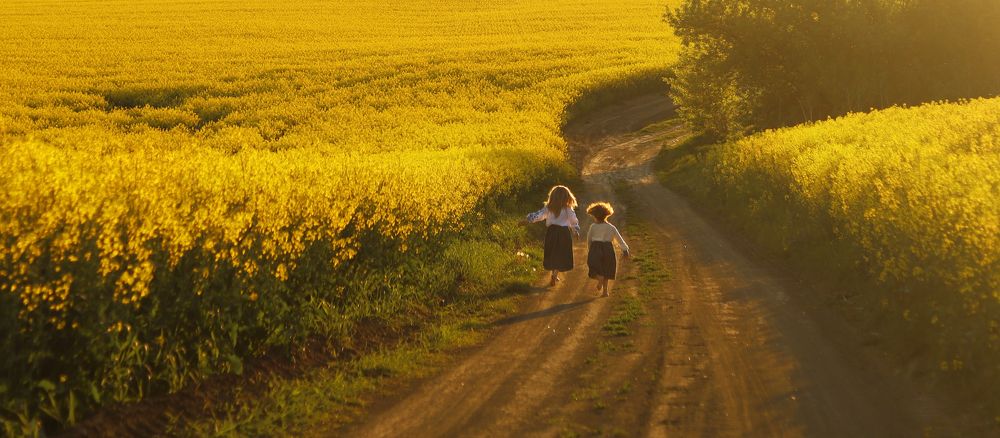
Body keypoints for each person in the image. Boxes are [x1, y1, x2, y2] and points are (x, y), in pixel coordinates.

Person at [522, 185, 580, 287]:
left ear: (552, 196)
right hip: (563, 233)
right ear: (567, 197)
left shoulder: (549, 208)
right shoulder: (568, 209)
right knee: (561, 254)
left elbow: (539, 215)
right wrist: (575, 231)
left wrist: (528, 220)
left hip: (551, 232)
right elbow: (573, 221)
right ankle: (555, 274)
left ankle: (554, 274)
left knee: (553, 252)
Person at [585, 202, 629, 297]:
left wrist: (590, 250)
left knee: (593, 267)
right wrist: (625, 250)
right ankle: (605, 292)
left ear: (594, 215)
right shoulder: (611, 227)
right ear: (607, 214)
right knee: (607, 269)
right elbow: (619, 239)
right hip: (608, 248)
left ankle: (599, 278)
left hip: (595, 248)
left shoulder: (593, 226)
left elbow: (589, 239)